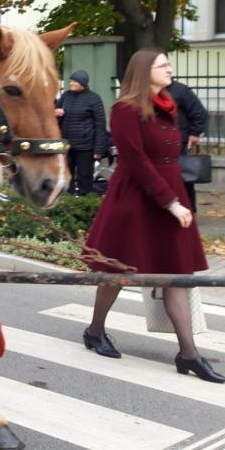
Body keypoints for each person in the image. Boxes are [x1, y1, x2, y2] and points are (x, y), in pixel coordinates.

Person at [83, 49, 223, 383]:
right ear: (145, 72)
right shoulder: (125, 109)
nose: (169, 69)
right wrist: (170, 202)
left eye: (168, 64)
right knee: (118, 271)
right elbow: (135, 161)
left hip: (169, 195)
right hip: (135, 201)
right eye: (163, 65)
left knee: (176, 274)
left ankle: (189, 354)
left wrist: (177, 200)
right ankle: (95, 330)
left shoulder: (167, 105)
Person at [55, 70, 109, 195]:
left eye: (74, 81)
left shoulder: (94, 99)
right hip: (67, 143)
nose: (71, 84)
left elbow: (100, 125)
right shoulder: (66, 96)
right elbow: (55, 114)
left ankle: (84, 198)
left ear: (82, 83)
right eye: (71, 81)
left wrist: (99, 149)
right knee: (67, 172)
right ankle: (68, 198)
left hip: (86, 145)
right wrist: (56, 113)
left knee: (84, 174)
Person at [165, 79, 208, 212]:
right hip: (159, 143)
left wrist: (195, 133)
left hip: (179, 142)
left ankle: (189, 208)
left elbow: (199, 113)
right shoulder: (149, 90)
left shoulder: (180, 90)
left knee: (183, 177)